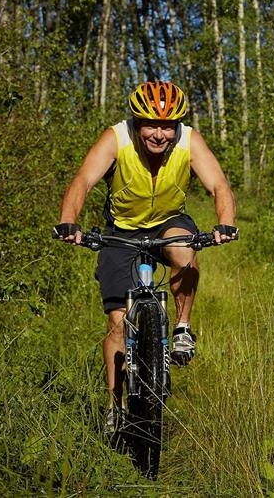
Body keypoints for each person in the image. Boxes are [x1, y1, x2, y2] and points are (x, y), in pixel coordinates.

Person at [52, 80, 237, 434]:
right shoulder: (117, 138)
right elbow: (83, 181)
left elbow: (218, 185)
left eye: (167, 125)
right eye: (151, 124)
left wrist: (225, 224)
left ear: (177, 125)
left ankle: (182, 327)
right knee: (118, 322)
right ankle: (115, 405)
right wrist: (68, 221)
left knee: (185, 249)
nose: (159, 134)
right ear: (136, 122)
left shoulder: (188, 140)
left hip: (168, 222)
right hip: (121, 230)